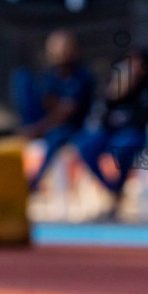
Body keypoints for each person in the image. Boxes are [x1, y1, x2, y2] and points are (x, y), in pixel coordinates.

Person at [73, 48, 148, 216]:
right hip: (108, 132)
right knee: (85, 146)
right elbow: (101, 113)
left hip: (132, 133)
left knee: (124, 147)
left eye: (137, 64)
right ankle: (111, 188)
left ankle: (119, 186)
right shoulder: (115, 82)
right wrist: (117, 93)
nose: (132, 68)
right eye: (129, 63)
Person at [13, 29, 95, 191]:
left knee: (56, 136)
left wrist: (38, 129)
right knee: (22, 77)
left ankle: (34, 181)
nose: (59, 51)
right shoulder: (49, 76)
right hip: (45, 122)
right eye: (54, 47)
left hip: (73, 128)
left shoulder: (82, 76)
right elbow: (48, 104)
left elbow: (66, 112)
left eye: (63, 47)